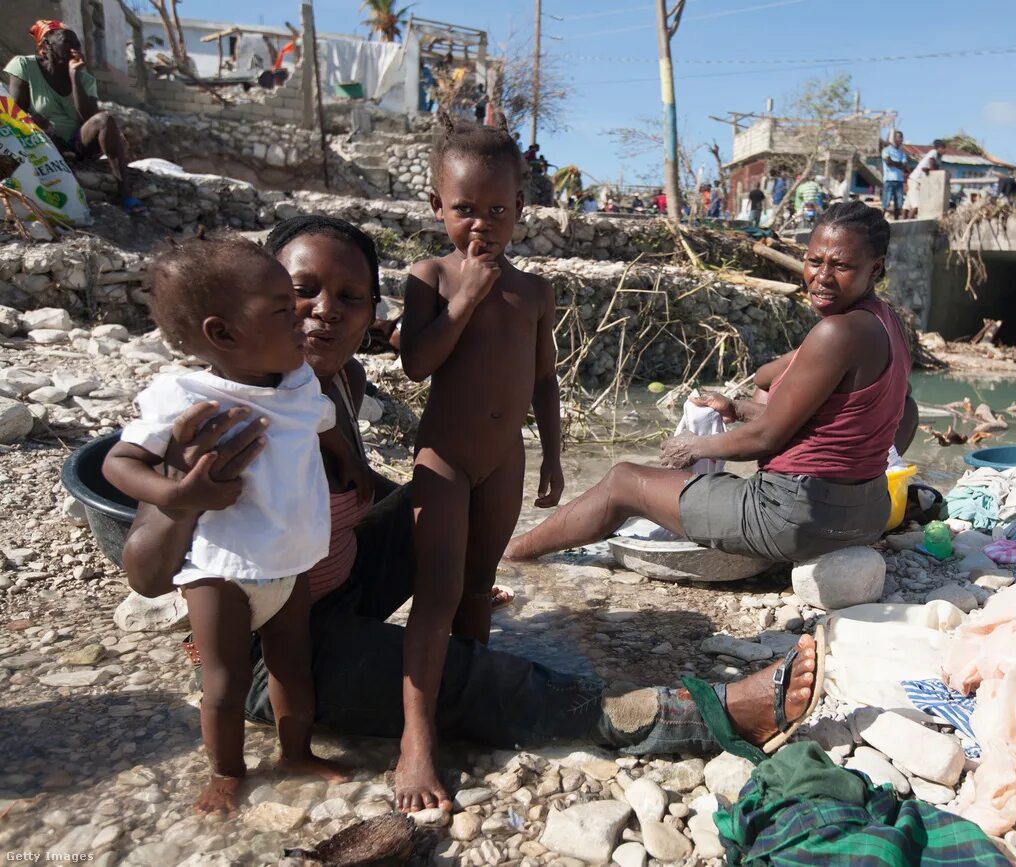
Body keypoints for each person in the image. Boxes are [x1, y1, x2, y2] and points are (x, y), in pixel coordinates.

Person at [120, 215, 829, 814]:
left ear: (375, 315)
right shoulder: (221, 412)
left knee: (438, 497)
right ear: (252, 306)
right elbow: (148, 573)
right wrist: (185, 496)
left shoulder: (331, 380)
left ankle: (455, 601)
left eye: (349, 297)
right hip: (272, 645)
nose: (319, 312)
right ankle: (692, 712)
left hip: (332, 588)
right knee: (468, 680)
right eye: (296, 294)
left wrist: (427, 534)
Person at [505, 201, 918, 566]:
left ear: (876, 267)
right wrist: (736, 409)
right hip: (864, 515)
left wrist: (695, 445)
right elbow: (833, 420)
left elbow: (768, 436)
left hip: (797, 519)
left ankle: (511, 555)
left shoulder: (838, 333)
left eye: (840, 266)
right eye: (814, 261)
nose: (822, 277)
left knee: (623, 481)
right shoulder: (886, 321)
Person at [103, 236, 362, 812]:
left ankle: (295, 753)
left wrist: (349, 461)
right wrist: (178, 492)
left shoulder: (297, 383)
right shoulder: (186, 395)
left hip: (291, 562)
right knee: (223, 682)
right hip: (220, 571)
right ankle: (225, 773)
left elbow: (322, 426)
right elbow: (118, 464)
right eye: (279, 307)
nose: (300, 314)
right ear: (222, 335)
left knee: (294, 669)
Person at [396, 114, 565, 811]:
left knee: (476, 587)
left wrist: (555, 453)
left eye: (497, 209)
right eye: (464, 208)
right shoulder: (430, 275)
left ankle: (462, 697)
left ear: (520, 211)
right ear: (438, 207)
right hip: (445, 461)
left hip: (506, 462)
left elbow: (544, 378)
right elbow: (414, 363)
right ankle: (415, 738)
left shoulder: (533, 292)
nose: (481, 224)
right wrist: (463, 298)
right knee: (434, 594)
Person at [5, 20, 140, 211]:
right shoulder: (24, 65)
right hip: (39, 140)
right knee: (33, 120)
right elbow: (16, 112)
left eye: (77, 44)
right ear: (45, 46)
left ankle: (124, 192)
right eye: (67, 42)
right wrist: (37, 125)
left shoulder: (85, 79)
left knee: (105, 120)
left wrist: (74, 76)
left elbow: (88, 118)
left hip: (76, 143)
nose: (74, 48)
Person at [903, 138, 944, 219]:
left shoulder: (939, 157)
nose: (944, 150)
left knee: (906, 206)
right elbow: (931, 164)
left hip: (915, 181)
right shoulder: (933, 153)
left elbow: (936, 168)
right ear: (938, 148)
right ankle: (908, 222)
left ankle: (902, 221)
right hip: (915, 180)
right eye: (943, 148)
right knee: (917, 206)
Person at [881, 130, 907, 220]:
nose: (900, 139)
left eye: (901, 137)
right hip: (889, 180)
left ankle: (896, 220)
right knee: (886, 202)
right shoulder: (886, 150)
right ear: (894, 138)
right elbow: (888, 162)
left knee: (899, 203)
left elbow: (904, 166)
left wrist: (893, 162)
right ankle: (880, 220)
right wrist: (898, 164)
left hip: (899, 180)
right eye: (899, 137)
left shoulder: (902, 153)